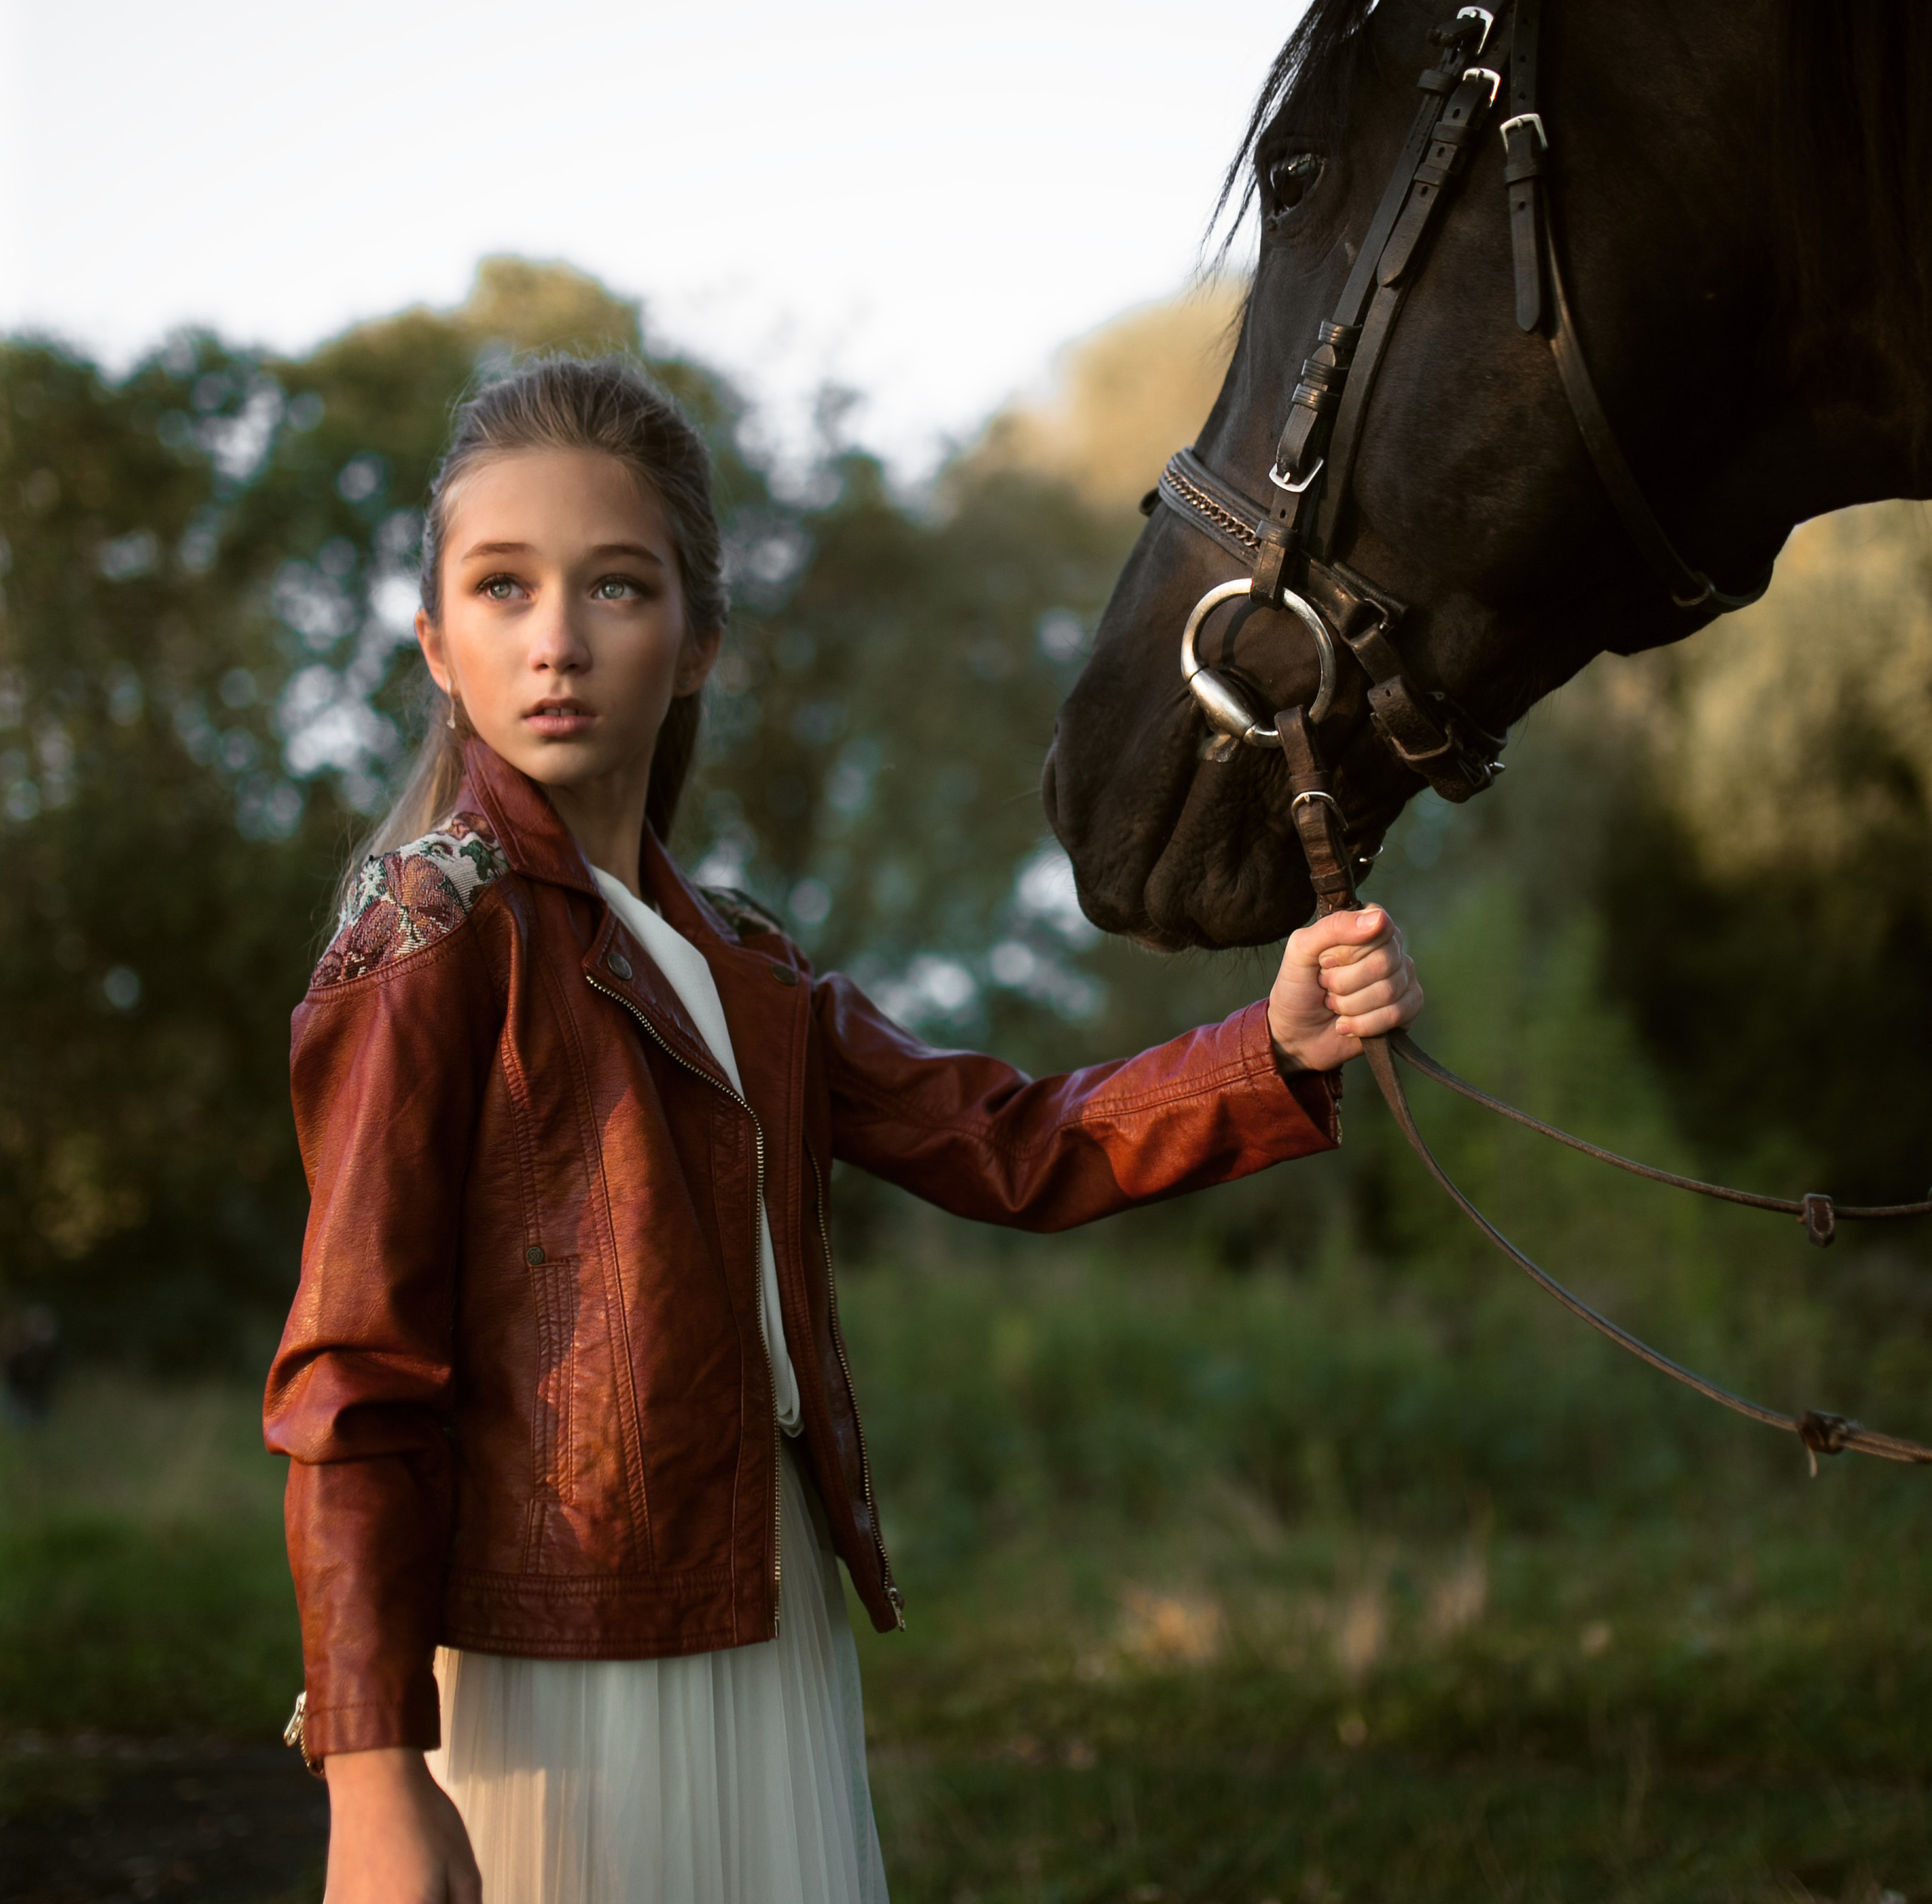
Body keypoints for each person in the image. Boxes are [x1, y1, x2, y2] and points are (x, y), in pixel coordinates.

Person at [263, 354, 1423, 1904]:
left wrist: (1266, 1044)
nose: (554, 639)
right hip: (563, 1650)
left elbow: (1010, 1140)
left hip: (769, 1609)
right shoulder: (428, 929)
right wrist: (370, 1769)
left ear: (696, 645)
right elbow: (353, 1377)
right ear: (433, 641)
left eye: (615, 587)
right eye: (500, 587)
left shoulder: (745, 960)